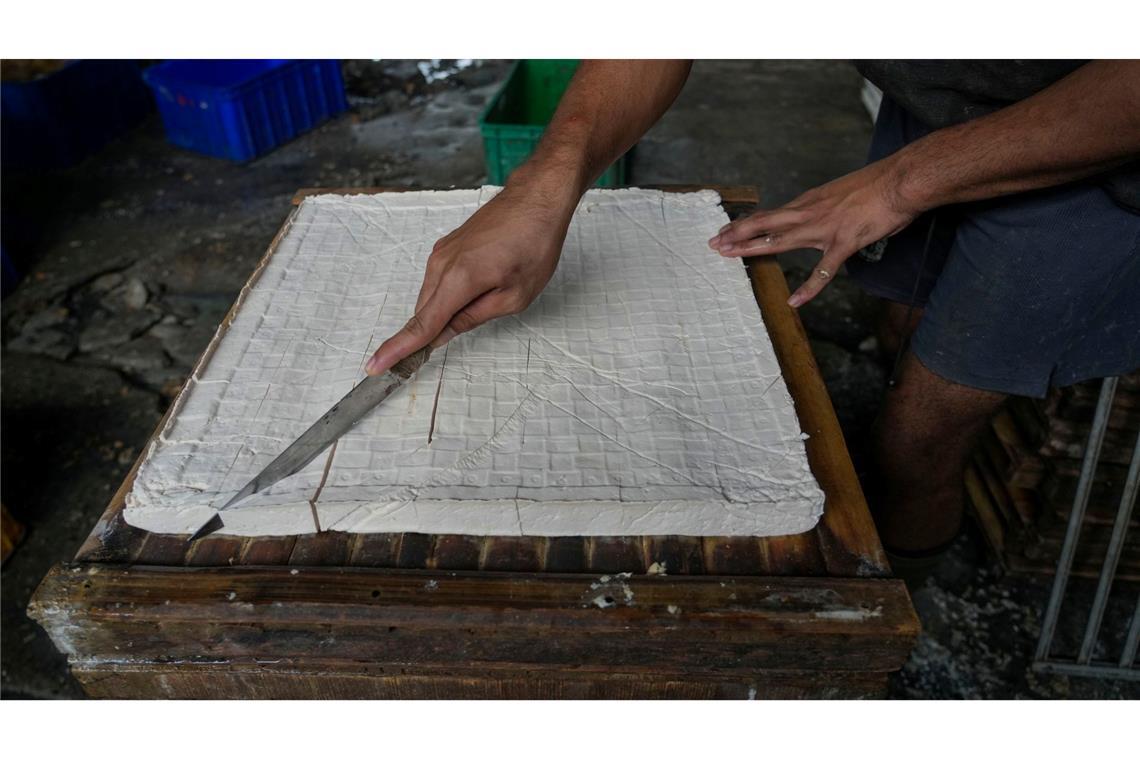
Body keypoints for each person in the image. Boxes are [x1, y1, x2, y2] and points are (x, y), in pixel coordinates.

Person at [363, 60, 1140, 575]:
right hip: (946, 88)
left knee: (922, 430)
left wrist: (904, 184)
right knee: (901, 316)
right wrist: (545, 182)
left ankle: (894, 598)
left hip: (1098, 128)